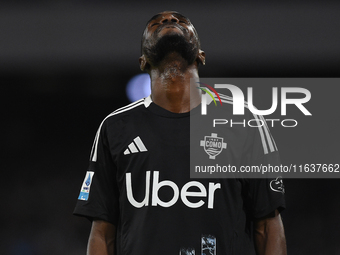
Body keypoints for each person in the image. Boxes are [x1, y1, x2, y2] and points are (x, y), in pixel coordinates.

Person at [74, 11, 287, 255]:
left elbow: (267, 226)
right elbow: (102, 233)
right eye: (156, 23)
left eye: (181, 21)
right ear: (143, 61)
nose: (169, 21)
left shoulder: (244, 121)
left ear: (200, 55)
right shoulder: (115, 127)